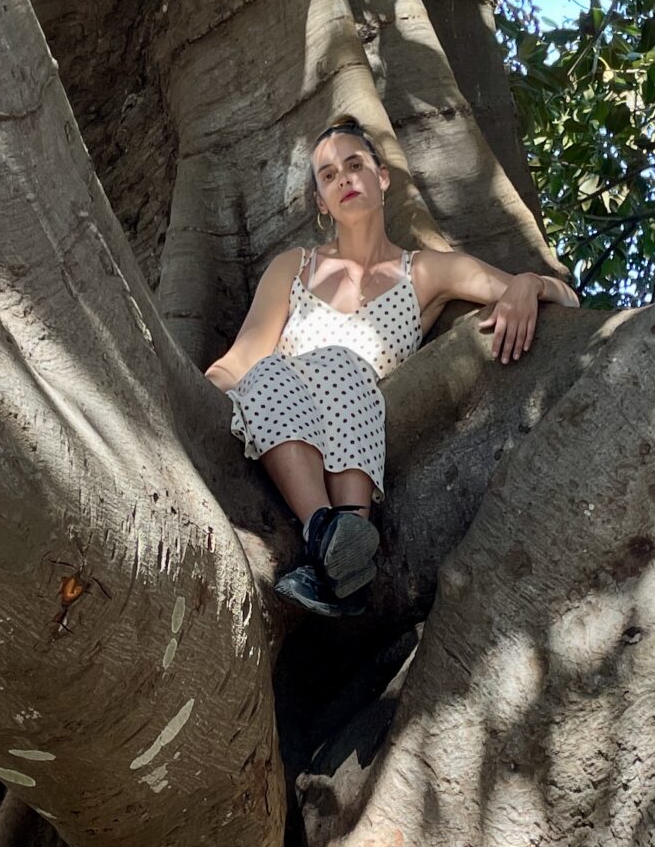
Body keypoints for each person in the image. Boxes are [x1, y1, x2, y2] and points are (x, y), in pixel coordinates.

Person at [206, 117, 578, 615]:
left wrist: (530, 284)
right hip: (285, 419)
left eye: (355, 165)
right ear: (321, 201)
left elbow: (566, 298)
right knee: (268, 372)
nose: (344, 179)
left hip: (357, 416)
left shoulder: (422, 271)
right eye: (329, 175)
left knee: (342, 363)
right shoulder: (293, 268)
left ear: (382, 178)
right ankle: (328, 539)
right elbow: (242, 361)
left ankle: (348, 533)